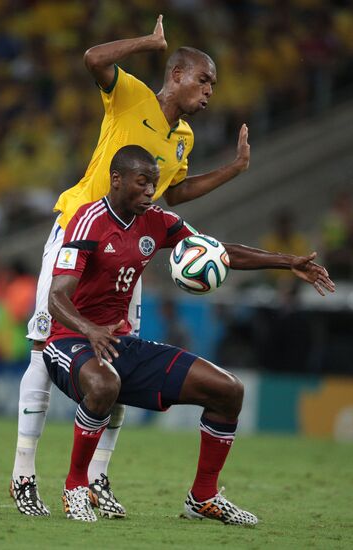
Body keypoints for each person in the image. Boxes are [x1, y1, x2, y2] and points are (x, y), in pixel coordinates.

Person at [10, 15, 251, 517]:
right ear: (178, 74)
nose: (210, 92)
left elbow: (176, 191)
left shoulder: (181, 137)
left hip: (127, 249)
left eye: (214, 85)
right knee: (42, 348)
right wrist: (150, 42)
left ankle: (96, 478)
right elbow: (94, 59)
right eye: (204, 80)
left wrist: (233, 169)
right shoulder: (132, 95)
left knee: (115, 356)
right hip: (79, 236)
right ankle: (23, 475)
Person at [43, 145, 334, 523]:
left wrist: (285, 261)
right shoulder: (89, 220)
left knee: (228, 390)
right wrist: (89, 329)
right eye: (142, 183)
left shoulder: (159, 221)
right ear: (116, 180)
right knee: (103, 385)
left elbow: (217, 251)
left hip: (117, 344)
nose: (150, 192)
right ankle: (75, 487)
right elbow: (55, 297)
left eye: (154, 184)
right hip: (69, 340)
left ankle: (203, 498)